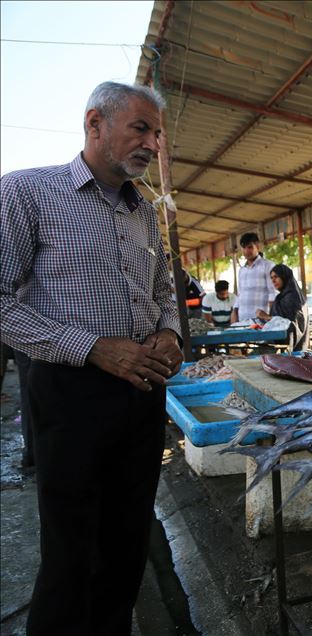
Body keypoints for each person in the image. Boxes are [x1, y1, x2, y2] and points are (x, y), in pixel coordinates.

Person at [0, 81, 183, 634]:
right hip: (70, 393)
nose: (152, 144)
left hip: (143, 393)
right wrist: (93, 348)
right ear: (95, 124)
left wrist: (170, 332)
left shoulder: (144, 211)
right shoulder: (27, 192)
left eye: (157, 134)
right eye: (141, 128)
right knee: (70, 554)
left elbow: (163, 290)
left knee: (127, 545)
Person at [257, 264, 308, 351]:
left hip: (292, 350)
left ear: (284, 276)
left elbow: (290, 324)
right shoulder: (282, 297)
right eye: (271, 278)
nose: (273, 280)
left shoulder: (292, 297)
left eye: (276, 277)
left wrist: (266, 317)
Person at [231, 232, 275, 322]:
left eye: (250, 247)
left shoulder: (268, 266)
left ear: (258, 247)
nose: (246, 251)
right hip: (242, 321)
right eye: (243, 248)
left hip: (261, 321)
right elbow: (240, 294)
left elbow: (273, 293)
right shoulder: (242, 270)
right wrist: (234, 311)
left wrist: (272, 318)